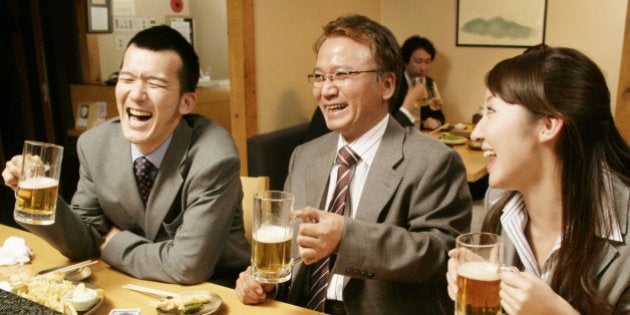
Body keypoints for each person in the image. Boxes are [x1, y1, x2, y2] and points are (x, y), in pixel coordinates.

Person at [236, 14, 472, 314]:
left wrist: (347, 238)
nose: (326, 90)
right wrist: (264, 279)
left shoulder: (433, 160)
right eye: (319, 77)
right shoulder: (305, 155)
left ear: (387, 84)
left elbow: (440, 256)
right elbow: (292, 255)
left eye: (342, 74)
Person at [2, 25, 250, 286]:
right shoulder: (95, 144)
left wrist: (111, 243)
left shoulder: (214, 157)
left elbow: (188, 266)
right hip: (129, 282)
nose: (136, 94)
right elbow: (83, 241)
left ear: (185, 103)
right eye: (127, 79)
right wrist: (33, 196)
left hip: (214, 293)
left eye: (155, 83)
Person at [446, 47, 630, 314]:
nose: (476, 132)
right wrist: (489, 281)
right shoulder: (499, 201)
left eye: (491, 110)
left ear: (548, 125)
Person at [392, 35, 446, 130]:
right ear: (405, 61)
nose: (423, 67)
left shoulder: (429, 83)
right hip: (399, 136)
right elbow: (391, 123)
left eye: (427, 62)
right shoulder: (394, 83)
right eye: (418, 61)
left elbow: (439, 116)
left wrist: (436, 122)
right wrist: (411, 98)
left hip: (422, 136)